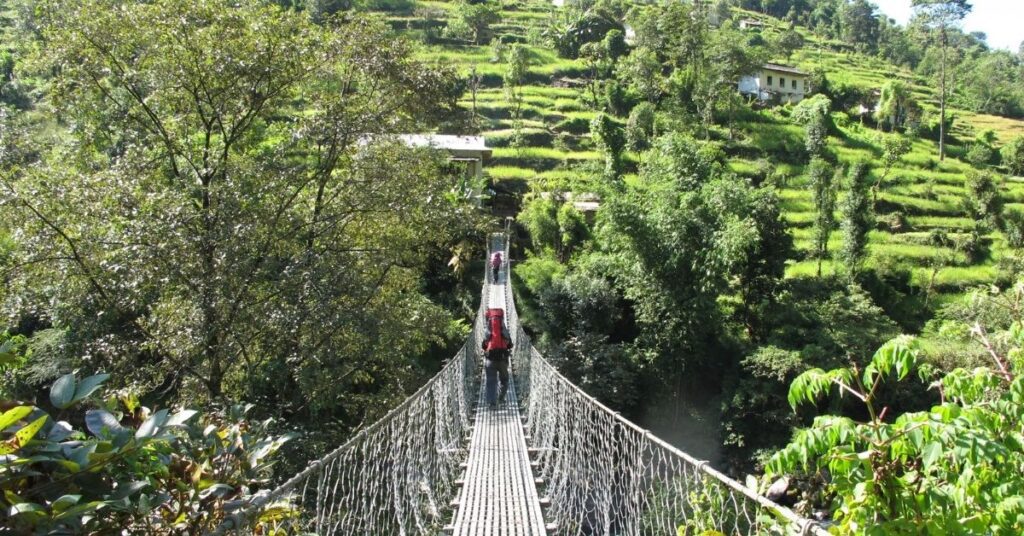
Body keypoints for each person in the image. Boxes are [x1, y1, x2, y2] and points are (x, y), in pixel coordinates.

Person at [481, 308, 513, 407]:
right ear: (502, 318)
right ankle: (501, 398)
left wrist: (486, 346)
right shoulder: (502, 327)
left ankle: (492, 403)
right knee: (504, 380)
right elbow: (509, 344)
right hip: (502, 359)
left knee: (491, 380)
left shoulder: (488, 328)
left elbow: (484, 345)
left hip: (490, 359)